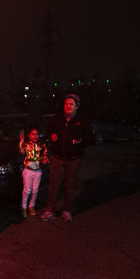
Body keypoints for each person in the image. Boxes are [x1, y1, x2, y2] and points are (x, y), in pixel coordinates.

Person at [40, 93, 93, 223]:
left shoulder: (82, 121)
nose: (68, 106)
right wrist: (51, 135)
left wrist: (81, 141)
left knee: (70, 185)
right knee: (53, 185)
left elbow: (90, 138)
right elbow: (47, 132)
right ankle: (50, 211)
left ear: (76, 106)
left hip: (74, 159)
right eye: (66, 104)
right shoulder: (57, 119)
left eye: (71, 104)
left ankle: (67, 211)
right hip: (57, 158)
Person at [18, 126, 48, 217]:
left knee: (35, 190)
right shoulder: (26, 144)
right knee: (27, 190)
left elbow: (45, 155)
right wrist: (21, 142)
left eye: (37, 134)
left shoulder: (42, 144)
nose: (35, 136)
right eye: (33, 134)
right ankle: (23, 207)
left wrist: (45, 160)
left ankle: (31, 206)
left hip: (38, 171)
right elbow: (21, 152)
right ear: (29, 135)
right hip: (28, 170)